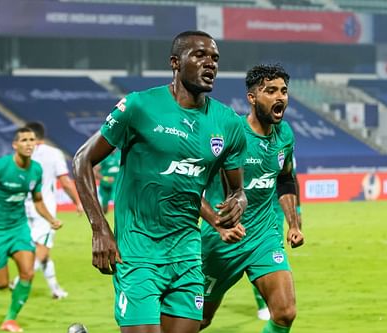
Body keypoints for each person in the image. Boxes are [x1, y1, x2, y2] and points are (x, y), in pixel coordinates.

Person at [72, 30, 247, 333]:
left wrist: (238, 201)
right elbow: (82, 160)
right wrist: (100, 229)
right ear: (175, 63)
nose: (210, 64)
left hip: (187, 254)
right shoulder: (140, 106)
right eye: (199, 56)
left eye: (215, 58)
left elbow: (237, 189)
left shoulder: (228, 123)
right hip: (138, 251)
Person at [200, 64, 305, 333]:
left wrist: (293, 224)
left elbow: (285, 178)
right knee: (197, 320)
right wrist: (216, 223)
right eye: (270, 91)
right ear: (252, 98)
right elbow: (189, 184)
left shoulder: (285, 135)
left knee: (285, 313)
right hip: (222, 242)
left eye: (283, 91)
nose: (280, 97)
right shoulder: (230, 134)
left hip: (264, 237)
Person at [0, 127, 62, 332]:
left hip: (19, 228)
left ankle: (10, 319)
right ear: (15, 145)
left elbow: (37, 199)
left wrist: (50, 219)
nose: (29, 143)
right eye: (24, 140)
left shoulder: (36, 169)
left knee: (27, 273)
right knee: (1, 284)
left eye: (32, 140)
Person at [9, 121, 83, 300]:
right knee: (41, 250)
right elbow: (64, 181)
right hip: (44, 209)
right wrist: (77, 202)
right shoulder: (53, 153)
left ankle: (55, 290)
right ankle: (19, 280)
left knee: (44, 252)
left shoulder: (22, 152)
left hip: (22, 207)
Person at [252, 156, 302, 321]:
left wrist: (297, 213)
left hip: (276, 207)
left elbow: (291, 180)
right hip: (254, 208)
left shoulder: (284, 145)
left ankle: (264, 304)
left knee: (266, 255)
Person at [95, 148, 121, 214]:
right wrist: (105, 178)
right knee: (105, 206)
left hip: (117, 183)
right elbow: (95, 171)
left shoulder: (120, 154)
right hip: (105, 184)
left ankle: (120, 215)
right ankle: (103, 217)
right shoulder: (104, 157)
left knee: (116, 198)